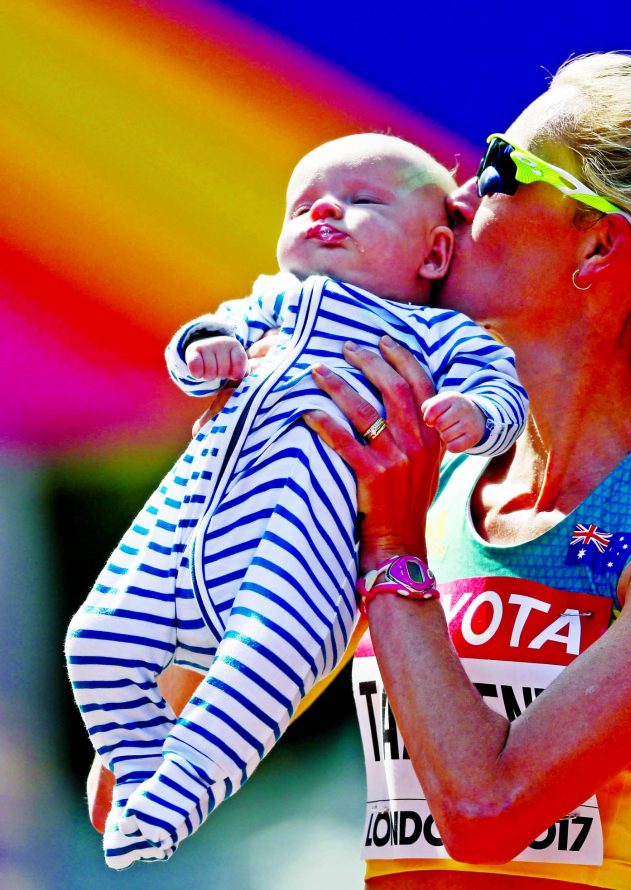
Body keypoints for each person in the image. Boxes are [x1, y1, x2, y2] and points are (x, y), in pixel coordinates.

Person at [85, 52, 631, 887]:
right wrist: (225, 466)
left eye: (502, 169)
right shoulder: (421, 472)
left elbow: (486, 811)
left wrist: (393, 547)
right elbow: (121, 795)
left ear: (598, 243)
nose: (458, 196)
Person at [65, 133, 528, 870]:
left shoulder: (439, 332)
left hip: (296, 558)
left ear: (433, 255)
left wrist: (472, 416)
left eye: (361, 202)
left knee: (263, 667)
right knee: (92, 639)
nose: (324, 214)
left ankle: (179, 793)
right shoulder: (268, 305)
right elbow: (201, 338)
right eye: (303, 206)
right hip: (192, 525)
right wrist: (204, 355)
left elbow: (498, 389)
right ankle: (144, 761)